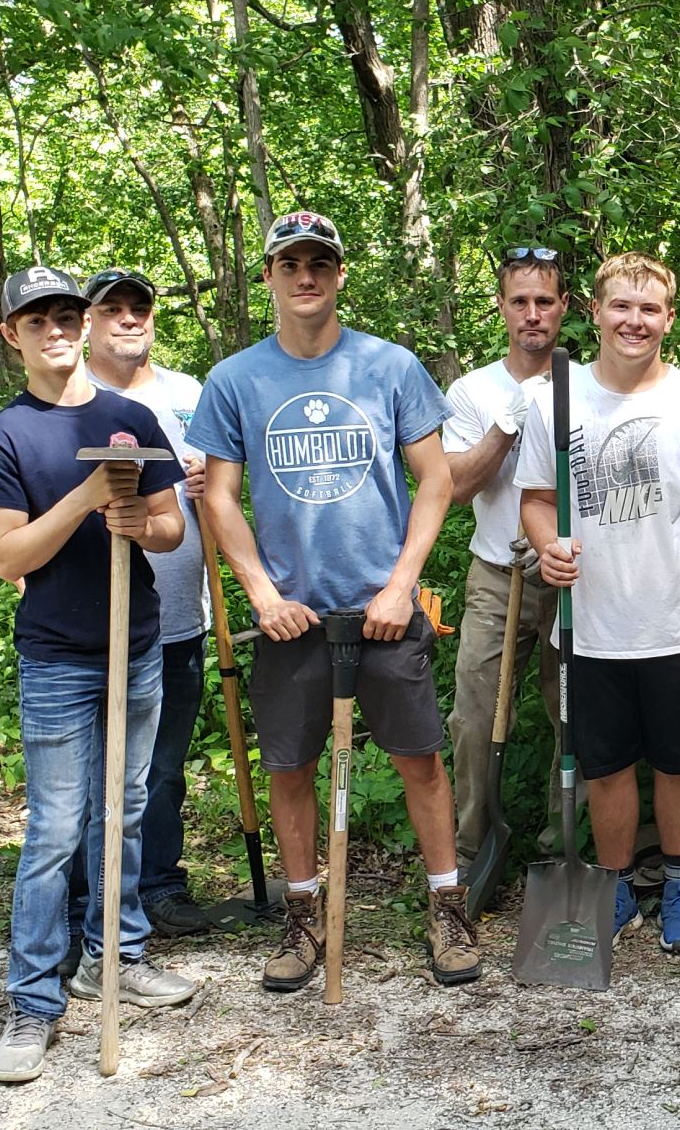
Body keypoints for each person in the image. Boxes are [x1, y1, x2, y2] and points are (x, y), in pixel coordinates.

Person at [186, 211, 482, 990]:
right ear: (272, 277)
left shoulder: (388, 366)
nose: (307, 275)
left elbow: (438, 480)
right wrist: (261, 591)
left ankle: (448, 906)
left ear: (341, 273)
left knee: (420, 759)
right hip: (295, 618)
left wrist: (400, 585)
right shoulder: (236, 379)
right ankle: (303, 915)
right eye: (291, 264)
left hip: (382, 610)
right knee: (291, 766)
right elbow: (218, 497)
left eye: (321, 262)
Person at [0, 267, 197, 1085]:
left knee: (124, 810)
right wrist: (87, 496)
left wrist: (142, 521)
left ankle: (116, 957)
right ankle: (32, 1000)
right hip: (59, 657)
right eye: (38, 319)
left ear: (84, 323)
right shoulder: (6, 437)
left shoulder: (129, 419)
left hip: (136, 648)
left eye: (68, 315)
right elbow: (7, 554)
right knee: (58, 825)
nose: (56, 329)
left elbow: (169, 525)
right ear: (12, 335)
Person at [518, 251, 680, 954]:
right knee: (606, 768)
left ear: (669, 318)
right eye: (622, 305)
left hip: (677, 624)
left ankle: (678, 888)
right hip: (590, 625)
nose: (634, 320)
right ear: (595, 310)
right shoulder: (555, 398)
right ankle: (615, 886)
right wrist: (545, 544)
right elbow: (536, 500)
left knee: (679, 764)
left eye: (649, 309)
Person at [65, 268, 214, 944]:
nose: (128, 319)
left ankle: (157, 884)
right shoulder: (67, 398)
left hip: (178, 612)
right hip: (87, 619)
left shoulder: (190, 394)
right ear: (89, 320)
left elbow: (228, 484)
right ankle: (81, 901)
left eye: (140, 308)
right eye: (112, 309)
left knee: (160, 766)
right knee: (89, 771)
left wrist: (217, 478)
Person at [444, 248, 570, 877]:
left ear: (564, 308)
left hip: (569, 573)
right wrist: (507, 424)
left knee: (571, 712)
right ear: (501, 307)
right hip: (497, 572)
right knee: (474, 712)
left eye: (544, 301)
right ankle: (474, 847)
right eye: (519, 301)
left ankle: (559, 845)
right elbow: (458, 486)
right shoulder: (472, 391)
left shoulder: (586, 382)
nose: (532, 314)